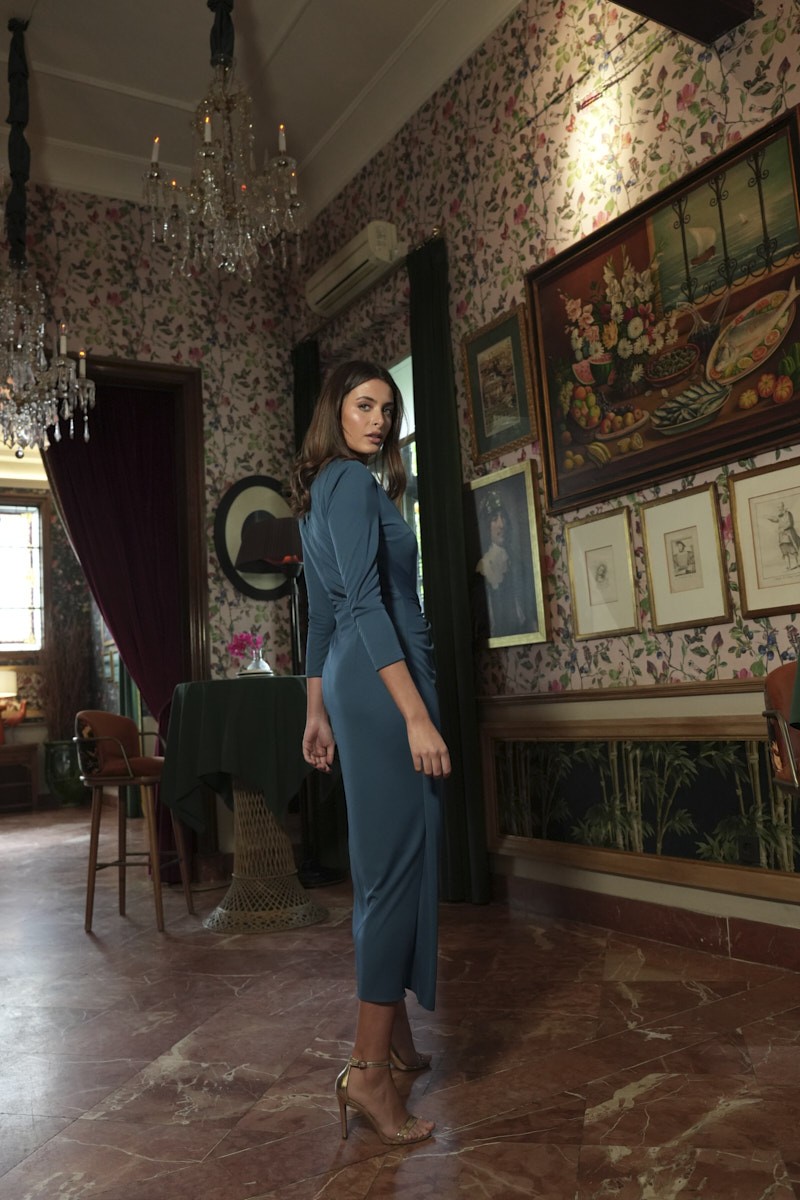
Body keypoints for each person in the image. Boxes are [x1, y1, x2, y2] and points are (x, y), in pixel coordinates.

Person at [290, 360, 450, 1148]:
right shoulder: (352, 484)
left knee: (381, 864)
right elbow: (356, 604)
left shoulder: (320, 491)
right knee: (394, 870)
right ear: (336, 411)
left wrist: (316, 709)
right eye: (364, 405)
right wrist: (415, 715)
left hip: (356, 680)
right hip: (389, 683)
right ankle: (367, 1071)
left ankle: (395, 1039)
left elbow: (319, 617)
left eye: (388, 408)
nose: (380, 420)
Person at [474, 490, 527, 638]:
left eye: (503, 517)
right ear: (486, 525)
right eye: (494, 519)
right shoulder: (484, 566)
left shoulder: (515, 561)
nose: (501, 524)